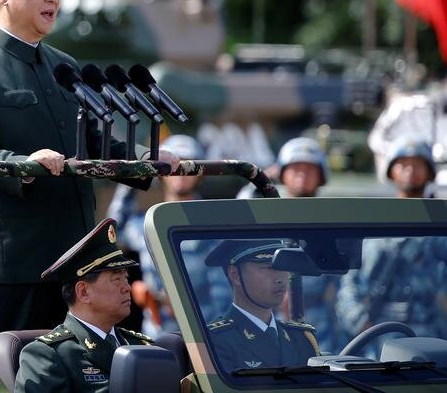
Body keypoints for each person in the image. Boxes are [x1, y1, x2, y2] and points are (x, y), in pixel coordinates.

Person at [0, 0, 178, 357]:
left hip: (75, 266)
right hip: (10, 269)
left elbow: (98, 144)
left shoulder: (63, 66)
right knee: (2, 376)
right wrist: (22, 165)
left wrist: (147, 159)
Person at [107, 134, 227, 336]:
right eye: (172, 167)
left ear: (201, 174)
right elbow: (115, 231)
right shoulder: (146, 223)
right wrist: (137, 173)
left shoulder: (213, 223)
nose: (180, 174)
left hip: (207, 332)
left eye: (188, 166)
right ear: (161, 174)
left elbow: (224, 289)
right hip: (158, 331)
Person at [14, 218, 153, 392]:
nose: (127, 287)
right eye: (116, 279)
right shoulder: (48, 355)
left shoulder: (141, 346)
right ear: (83, 292)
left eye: (126, 278)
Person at [336, 139, 445, 343]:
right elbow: (349, 284)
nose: (411, 170)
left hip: (432, 335)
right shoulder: (372, 226)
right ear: (391, 171)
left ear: (429, 172)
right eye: (403, 164)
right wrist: (361, 323)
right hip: (379, 336)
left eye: (418, 164)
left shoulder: (441, 228)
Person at [204, 240, 320, 371]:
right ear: (235, 275)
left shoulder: (302, 337)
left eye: (283, 268)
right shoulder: (214, 341)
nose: (281, 278)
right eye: (268, 268)